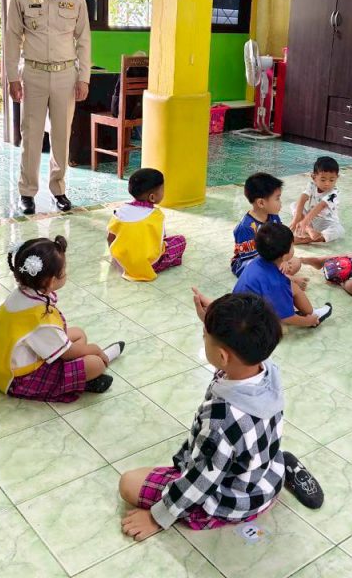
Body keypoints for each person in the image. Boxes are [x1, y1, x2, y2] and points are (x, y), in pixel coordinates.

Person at [118, 293, 321, 541]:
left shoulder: (221, 423)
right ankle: (281, 469)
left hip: (233, 500)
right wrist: (214, 324)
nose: (203, 336)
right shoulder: (266, 369)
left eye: (205, 336)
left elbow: (201, 481)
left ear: (223, 356)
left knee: (129, 483)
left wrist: (157, 517)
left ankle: (223, 513)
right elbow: (236, 349)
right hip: (265, 478)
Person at [0, 237, 124, 401]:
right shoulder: (40, 319)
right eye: (63, 271)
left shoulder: (21, 293)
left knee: (78, 333)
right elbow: (67, 353)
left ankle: (79, 376)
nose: (66, 273)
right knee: (95, 363)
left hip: (9, 359)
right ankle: (85, 376)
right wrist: (95, 349)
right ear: (51, 281)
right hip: (21, 377)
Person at [4, 0, 91, 216]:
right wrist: (12, 77)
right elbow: (12, 37)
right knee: (30, 136)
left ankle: (59, 189)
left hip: (66, 75)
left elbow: (83, 40)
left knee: (61, 135)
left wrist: (84, 77)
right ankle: (27, 192)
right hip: (33, 74)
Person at [233, 223, 332, 328]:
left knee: (291, 286)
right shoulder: (277, 283)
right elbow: (286, 317)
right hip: (251, 324)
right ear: (284, 255)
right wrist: (307, 322)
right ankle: (313, 316)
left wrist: (283, 262)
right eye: (292, 246)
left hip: (238, 309)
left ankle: (309, 312)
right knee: (288, 296)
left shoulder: (257, 261)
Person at [107, 168, 186, 281]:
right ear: (152, 197)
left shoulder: (119, 211)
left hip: (122, 261)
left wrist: (116, 257)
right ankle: (169, 262)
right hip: (150, 264)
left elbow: (110, 238)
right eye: (162, 189)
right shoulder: (156, 215)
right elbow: (160, 242)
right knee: (180, 240)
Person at [232, 173, 303, 283]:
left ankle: (276, 275)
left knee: (296, 262)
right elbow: (251, 260)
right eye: (277, 199)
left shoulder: (273, 217)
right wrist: (278, 263)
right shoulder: (245, 227)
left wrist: (283, 260)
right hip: (248, 264)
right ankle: (283, 278)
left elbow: (283, 240)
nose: (280, 203)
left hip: (270, 258)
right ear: (261, 203)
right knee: (257, 272)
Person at [289, 156, 344, 244]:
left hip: (326, 222)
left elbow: (321, 206)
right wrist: (296, 218)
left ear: (337, 177)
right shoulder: (311, 185)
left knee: (339, 229)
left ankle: (306, 239)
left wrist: (304, 221)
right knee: (294, 205)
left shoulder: (334, 193)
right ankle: (308, 229)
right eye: (323, 180)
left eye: (331, 180)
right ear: (314, 177)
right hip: (311, 220)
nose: (327, 183)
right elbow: (303, 198)